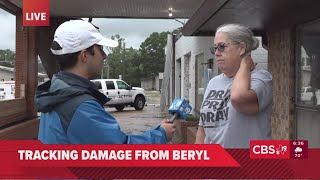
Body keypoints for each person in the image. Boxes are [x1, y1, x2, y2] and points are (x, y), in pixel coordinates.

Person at [36, 20, 176, 144]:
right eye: (100, 49)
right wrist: (161, 135)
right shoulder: (80, 106)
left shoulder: (55, 91)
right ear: (84, 55)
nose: (104, 56)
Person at [195, 24, 272, 148]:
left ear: (241, 48)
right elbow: (202, 128)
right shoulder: (213, 82)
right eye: (214, 48)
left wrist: (245, 65)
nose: (216, 53)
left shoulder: (261, 79)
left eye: (221, 47)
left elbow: (238, 98)